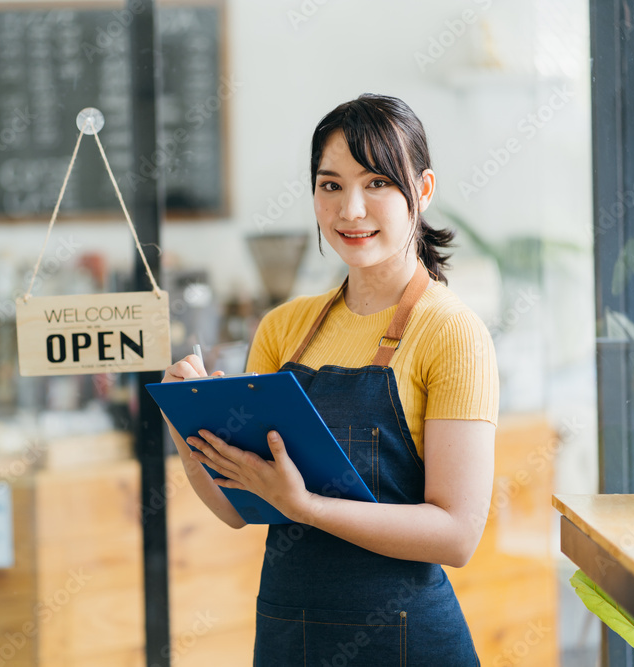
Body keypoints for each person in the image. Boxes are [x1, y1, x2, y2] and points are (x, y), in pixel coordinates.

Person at [161, 94, 499, 666]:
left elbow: (456, 535)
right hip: (288, 635)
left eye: (377, 184)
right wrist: (189, 425)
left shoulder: (452, 333)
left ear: (422, 189)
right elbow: (236, 506)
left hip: (404, 640)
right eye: (331, 185)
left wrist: (309, 508)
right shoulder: (284, 327)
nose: (351, 210)